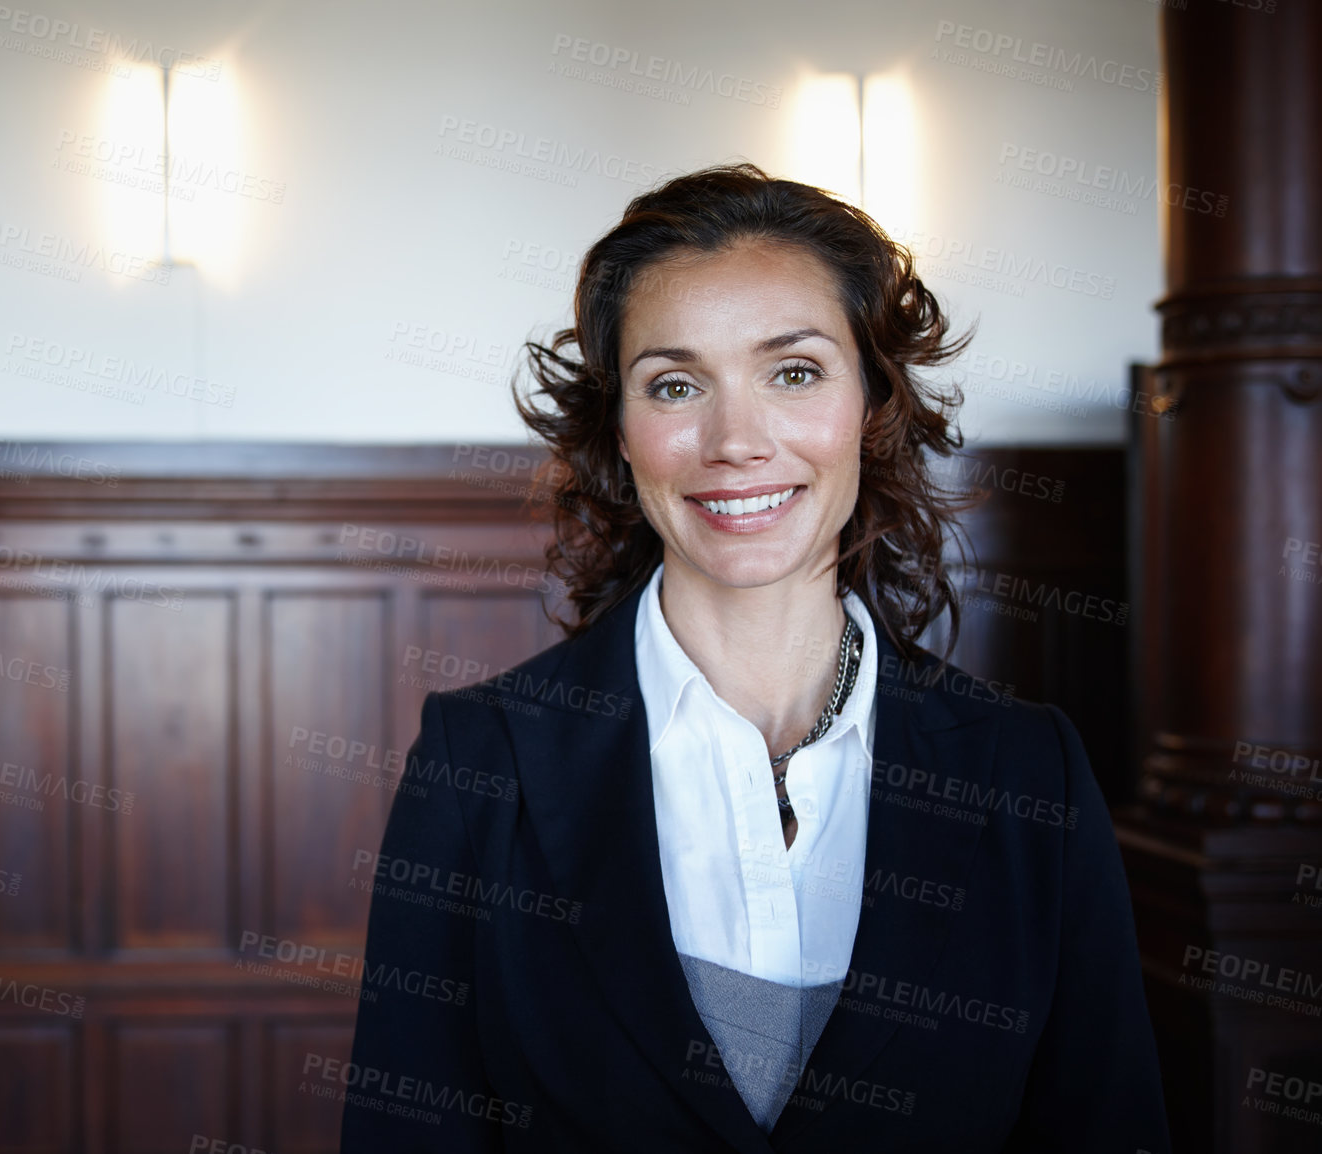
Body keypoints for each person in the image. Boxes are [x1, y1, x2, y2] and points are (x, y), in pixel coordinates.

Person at [339, 163, 1169, 1152]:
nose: (735, 440)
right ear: (620, 431)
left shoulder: (1029, 773)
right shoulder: (478, 762)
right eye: (677, 384)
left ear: (872, 402)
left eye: (793, 370)